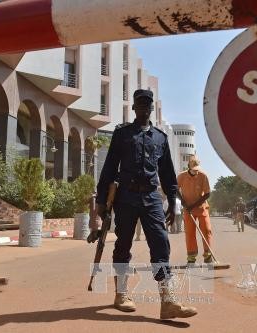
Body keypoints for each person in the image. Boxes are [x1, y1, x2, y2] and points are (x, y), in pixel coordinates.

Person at [89, 89, 197, 320]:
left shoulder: (160, 138)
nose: (145, 108)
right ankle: (121, 294)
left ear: (151, 110)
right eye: (141, 104)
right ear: (134, 108)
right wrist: (101, 201)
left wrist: (174, 202)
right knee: (123, 244)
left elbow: (168, 174)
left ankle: (168, 302)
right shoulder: (122, 135)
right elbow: (109, 168)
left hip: (151, 198)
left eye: (148, 105)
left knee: (161, 244)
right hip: (126, 197)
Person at [177, 156, 213, 264]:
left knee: (207, 231)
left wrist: (194, 205)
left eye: (197, 169)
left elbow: (207, 194)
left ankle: (208, 255)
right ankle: (191, 257)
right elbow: (175, 189)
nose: (196, 171)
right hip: (188, 210)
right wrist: (183, 201)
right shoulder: (181, 176)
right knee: (189, 233)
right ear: (189, 167)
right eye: (194, 169)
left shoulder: (203, 176)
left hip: (201, 208)